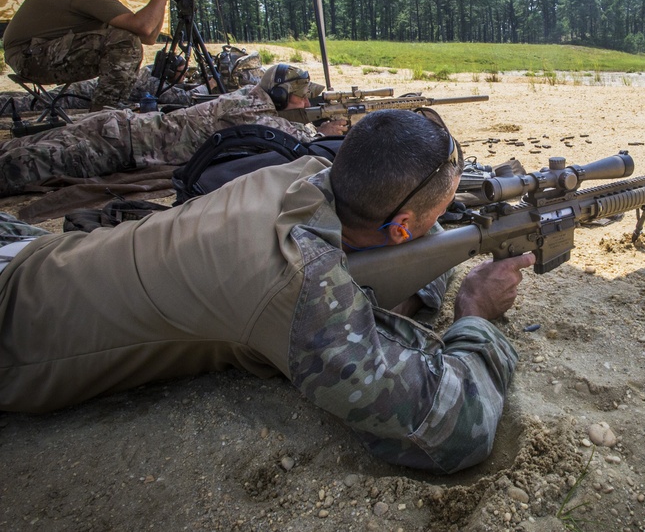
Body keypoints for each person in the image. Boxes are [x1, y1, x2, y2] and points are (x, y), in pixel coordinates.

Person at [0, 109, 535, 474]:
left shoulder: (303, 174)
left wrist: (443, 243)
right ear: (399, 227)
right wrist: (477, 312)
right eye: (439, 215)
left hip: (28, 256)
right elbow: (453, 429)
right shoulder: (299, 283)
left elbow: (383, 252)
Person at [0, 63, 345, 197]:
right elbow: (295, 142)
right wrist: (326, 130)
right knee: (16, 169)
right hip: (116, 143)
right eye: (299, 99)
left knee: (19, 151)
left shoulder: (249, 97)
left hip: (117, 128)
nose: (302, 105)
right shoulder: (251, 111)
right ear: (281, 95)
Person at [2, 0, 182, 111]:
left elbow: (148, 36)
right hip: (29, 58)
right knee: (124, 40)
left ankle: (108, 108)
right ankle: (105, 111)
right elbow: (142, 27)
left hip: (38, 54)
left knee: (126, 38)